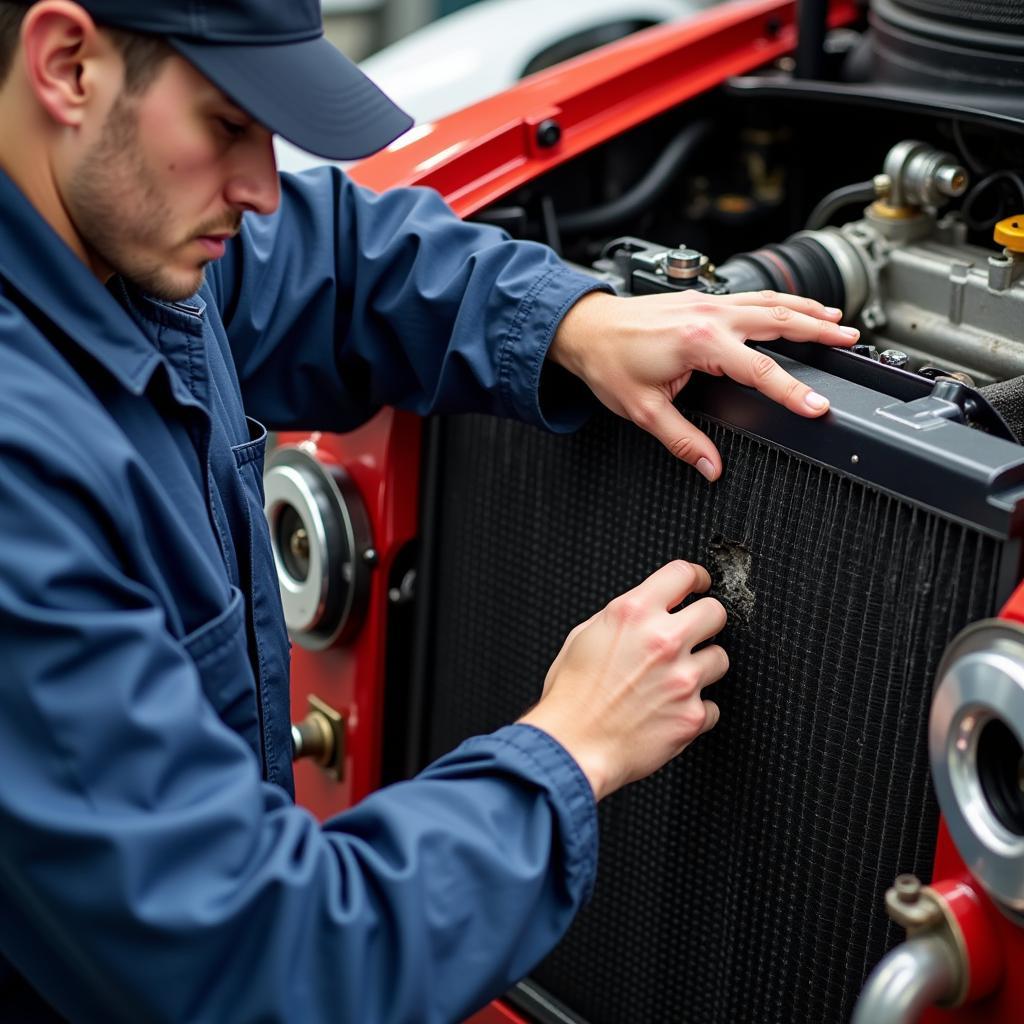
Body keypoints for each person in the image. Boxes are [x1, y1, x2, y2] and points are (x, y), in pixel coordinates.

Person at [0, 1, 860, 1021]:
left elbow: (327, 265)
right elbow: (253, 963)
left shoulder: (101, 228)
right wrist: (571, 748)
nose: (261, 192)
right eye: (230, 124)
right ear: (66, 65)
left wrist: (574, 322)